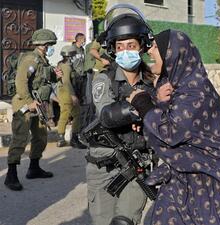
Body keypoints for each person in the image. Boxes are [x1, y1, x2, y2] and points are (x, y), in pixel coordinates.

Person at [127, 29, 220, 225]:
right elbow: (177, 126)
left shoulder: (196, 91)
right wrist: (152, 114)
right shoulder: (179, 87)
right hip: (183, 178)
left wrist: (143, 104)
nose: (149, 51)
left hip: (211, 182)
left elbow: (171, 133)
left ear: (173, 53)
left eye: (156, 47)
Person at [84, 5, 155, 225]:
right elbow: (107, 114)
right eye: (120, 46)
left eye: (131, 45)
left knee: (124, 222)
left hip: (136, 165)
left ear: (141, 46)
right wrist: (140, 109)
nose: (126, 51)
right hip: (104, 166)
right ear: (113, 49)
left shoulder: (152, 81)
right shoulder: (104, 80)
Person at [4, 29, 62, 191]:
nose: (52, 47)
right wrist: (29, 102)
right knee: (20, 138)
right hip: (25, 103)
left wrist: (55, 75)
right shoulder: (31, 60)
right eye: (50, 45)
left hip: (39, 104)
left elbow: (43, 79)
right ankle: (11, 175)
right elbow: (20, 82)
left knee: (41, 136)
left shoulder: (43, 60)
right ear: (43, 45)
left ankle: (34, 168)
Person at [56, 45, 86, 149]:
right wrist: (73, 96)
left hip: (63, 92)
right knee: (75, 114)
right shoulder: (67, 67)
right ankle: (74, 139)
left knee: (65, 114)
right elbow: (67, 82)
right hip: (67, 93)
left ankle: (61, 139)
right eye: (73, 55)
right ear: (70, 56)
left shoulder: (61, 64)